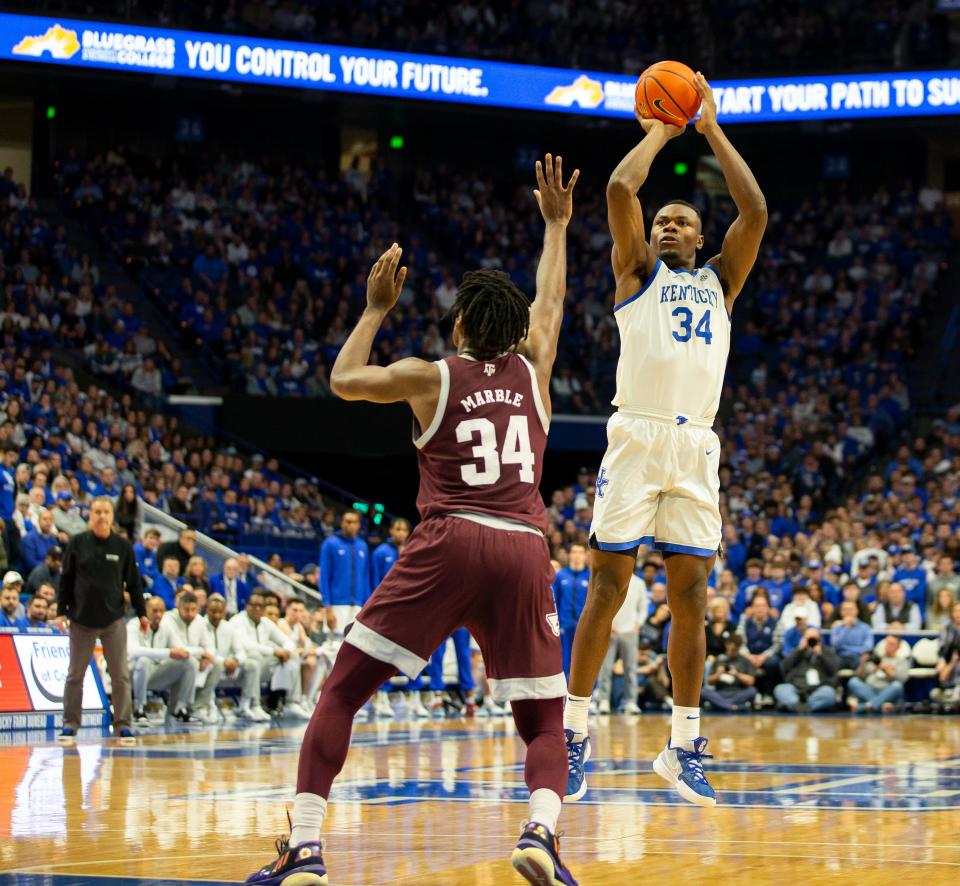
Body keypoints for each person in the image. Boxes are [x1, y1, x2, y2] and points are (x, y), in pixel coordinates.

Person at [245, 155, 580, 886]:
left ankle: (304, 849)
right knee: (544, 723)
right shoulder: (535, 369)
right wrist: (556, 227)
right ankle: (541, 834)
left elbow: (341, 380)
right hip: (524, 547)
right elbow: (552, 302)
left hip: (451, 539)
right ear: (519, 332)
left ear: (459, 325)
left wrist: (373, 309)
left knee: (342, 690)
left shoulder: (431, 376)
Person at [563, 73, 766, 809]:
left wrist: (709, 127)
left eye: (681, 220)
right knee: (608, 590)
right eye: (662, 221)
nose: (667, 226)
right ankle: (574, 735)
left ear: (703, 236)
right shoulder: (636, 272)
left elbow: (757, 208)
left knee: (690, 596)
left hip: (697, 447)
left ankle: (682, 748)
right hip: (637, 436)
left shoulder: (722, 281)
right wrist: (661, 125)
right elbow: (620, 188)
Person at [57, 497, 146, 744]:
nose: (101, 516)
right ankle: (70, 724)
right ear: (90, 515)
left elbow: (135, 582)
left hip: (113, 619)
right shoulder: (77, 543)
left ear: (112, 516)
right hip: (81, 619)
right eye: (97, 511)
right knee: (75, 675)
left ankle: (124, 725)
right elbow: (65, 579)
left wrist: (142, 613)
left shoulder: (122, 546)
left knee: (120, 676)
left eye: (106, 512)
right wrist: (60, 611)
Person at [231, 591, 311, 719]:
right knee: (254, 656)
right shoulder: (237, 621)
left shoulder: (265, 623)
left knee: (293, 655)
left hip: (262, 667)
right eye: (254, 605)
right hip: (240, 667)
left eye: (261, 606)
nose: (257, 609)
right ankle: (254, 705)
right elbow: (246, 644)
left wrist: (287, 651)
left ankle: (292, 703)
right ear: (246, 606)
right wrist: (273, 651)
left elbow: (286, 641)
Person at [128, 596, 199, 725]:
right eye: (155, 611)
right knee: (143, 660)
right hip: (132, 674)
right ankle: (139, 709)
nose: (159, 614)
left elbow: (180, 648)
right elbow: (133, 651)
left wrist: (202, 652)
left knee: (190, 662)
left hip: (156, 673)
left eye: (161, 611)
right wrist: (168, 653)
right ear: (145, 610)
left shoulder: (166, 626)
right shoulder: (134, 624)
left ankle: (180, 708)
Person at [203, 593, 269, 721]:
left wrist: (236, 660)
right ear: (207, 610)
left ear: (224, 612)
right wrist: (224, 661)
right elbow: (204, 651)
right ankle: (209, 706)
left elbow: (240, 651)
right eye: (213, 612)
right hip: (211, 667)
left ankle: (245, 706)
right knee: (211, 664)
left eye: (220, 612)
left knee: (252, 664)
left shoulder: (228, 627)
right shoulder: (200, 624)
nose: (216, 615)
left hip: (230, 669)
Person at [162, 590, 221, 723]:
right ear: (179, 607)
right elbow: (178, 648)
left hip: (194, 661)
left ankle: (196, 707)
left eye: (194, 609)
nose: (190, 614)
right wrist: (201, 653)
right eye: (186, 610)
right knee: (189, 662)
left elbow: (210, 646)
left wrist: (207, 657)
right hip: (169, 664)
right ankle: (180, 707)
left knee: (216, 664)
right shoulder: (168, 619)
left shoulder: (199, 621)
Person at [597, 564, 647, 714]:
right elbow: (604, 605)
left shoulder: (639, 583)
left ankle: (631, 701)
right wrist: (608, 622)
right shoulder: (612, 580)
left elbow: (643, 607)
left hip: (630, 631)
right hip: (611, 630)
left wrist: (638, 624)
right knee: (605, 667)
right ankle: (603, 700)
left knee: (630, 668)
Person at [319, 511, 371, 636]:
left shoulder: (362, 546)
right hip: (337, 604)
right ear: (341, 523)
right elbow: (324, 576)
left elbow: (365, 577)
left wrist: (367, 605)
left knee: (354, 649)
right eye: (348, 522)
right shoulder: (330, 544)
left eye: (355, 522)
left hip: (359, 605)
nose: (351, 525)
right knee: (333, 647)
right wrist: (327, 606)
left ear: (359, 525)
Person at [774, 627, 840, 712]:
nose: (811, 642)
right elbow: (785, 667)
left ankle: (798, 707)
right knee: (780, 689)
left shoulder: (827, 651)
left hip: (819, 688)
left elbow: (834, 669)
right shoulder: (798, 651)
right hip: (796, 687)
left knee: (829, 693)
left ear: (819, 639)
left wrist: (821, 655)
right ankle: (798, 705)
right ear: (803, 638)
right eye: (808, 638)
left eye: (814, 639)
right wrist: (799, 650)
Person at [552, 543, 590, 678]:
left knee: (584, 660)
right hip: (564, 625)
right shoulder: (561, 575)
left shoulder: (590, 576)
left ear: (585, 555)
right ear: (569, 555)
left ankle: (587, 694)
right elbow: (554, 600)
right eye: (574, 552)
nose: (577, 555)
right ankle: (562, 694)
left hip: (583, 627)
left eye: (580, 552)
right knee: (563, 660)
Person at [847, 634, 910, 713]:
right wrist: (862, 662)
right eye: (887, 643)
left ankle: (866, 706)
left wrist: (888, 671)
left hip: (886, 690)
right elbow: (860, 675)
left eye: (892, 644)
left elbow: (902, 679)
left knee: (897, 686)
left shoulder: (902, 661)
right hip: (869, 689)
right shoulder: (876, 658)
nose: (888, 646)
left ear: (898, 646)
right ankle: (879, 705)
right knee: (853, 681)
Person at [701, 634, 757, 712]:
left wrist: (737, 674)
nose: (732, 652)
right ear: (726, 645)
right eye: (730, 649)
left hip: (738, 692)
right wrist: (717, 675)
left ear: (739, 647)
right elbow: (709, 681)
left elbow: (751, 681)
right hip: (720, 692)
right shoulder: (719, 659)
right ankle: (732, 707)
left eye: (735, 650)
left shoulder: (745, 661)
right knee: (703, 691)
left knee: (752, 691)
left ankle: (721, 705)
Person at [830, 600, 875, 669]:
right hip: (840, 658)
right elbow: (835, 646)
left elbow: (867, 647)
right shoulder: (836, 627)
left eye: (851, 609)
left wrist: (847, 649)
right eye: (845, 609)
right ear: (841, 612)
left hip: (858, 658)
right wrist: (845, 628)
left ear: (857, 611)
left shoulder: (865, 628)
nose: (848, 612)